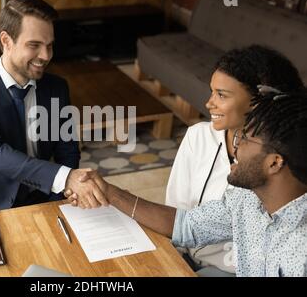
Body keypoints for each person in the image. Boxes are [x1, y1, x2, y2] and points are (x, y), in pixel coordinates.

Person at [67, 91, 307, 277]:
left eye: (244, 139)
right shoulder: (246, 199)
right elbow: (186, 225)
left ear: (275, 163)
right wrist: (109, 191)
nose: (235, 146)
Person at [0, 0, 107, 211]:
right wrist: (65, 178)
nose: (45, 56)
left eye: (49, 46)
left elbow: (67, 149)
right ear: (6, 41)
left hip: (44, 196)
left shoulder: (57, 87)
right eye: (34, 45)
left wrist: (62, 194)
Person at [164, 45, 305, 275]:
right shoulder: (198, 136)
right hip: (187, 260)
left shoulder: (283, 167)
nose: (209, 103)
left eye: (221, 94)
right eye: (212, 92)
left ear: (259, 102)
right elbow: (179, 215)